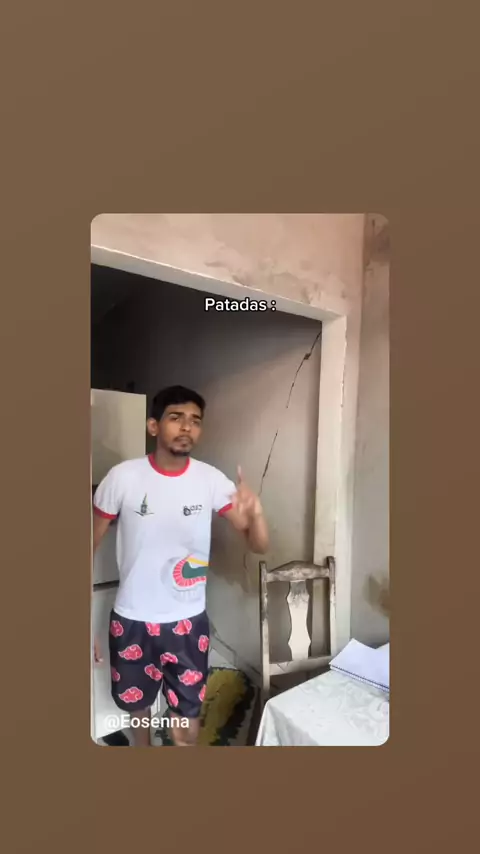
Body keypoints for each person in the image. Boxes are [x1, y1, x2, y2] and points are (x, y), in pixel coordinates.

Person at [92, 385, 269, 746]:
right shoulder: (122, 477)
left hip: (188, 623)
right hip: (132, 620)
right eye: (176, 417)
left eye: (195, 420)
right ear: (153, 426)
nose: (187, 427)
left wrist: (257, 514)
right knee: (138, 708)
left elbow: (258, 544)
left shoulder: (210, 480)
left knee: (186, 724)